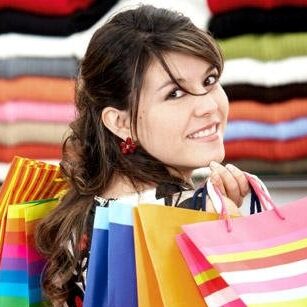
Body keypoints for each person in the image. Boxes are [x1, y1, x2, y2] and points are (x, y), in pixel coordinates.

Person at [36, 5, 250, 306]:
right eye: (174, 94)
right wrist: (234, 221)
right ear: (120, 122)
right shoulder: (204, 216)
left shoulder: (76, 214)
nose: (208, 106)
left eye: (209, 80)